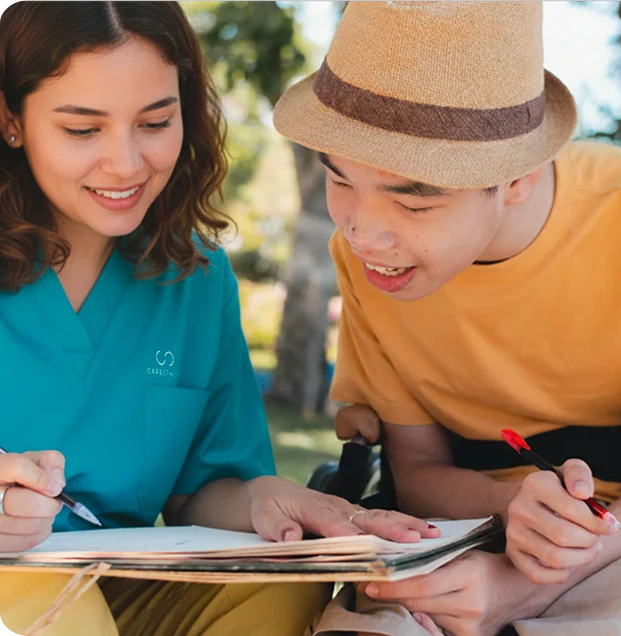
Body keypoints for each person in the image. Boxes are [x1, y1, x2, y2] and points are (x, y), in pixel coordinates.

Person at [0, 2, 440, 635]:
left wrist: (267, 500)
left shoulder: (197, 279)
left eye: (155, 122)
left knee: (281, 593)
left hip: (123, 586)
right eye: (82, 130)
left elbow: (200, 492)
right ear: (12, 120)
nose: (126, 163)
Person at [273, 1, 621, 635]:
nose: (364, 234)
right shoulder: (363, 259)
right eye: (340, 180)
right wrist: (513, 509)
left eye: (414, 203)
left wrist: (526, 584)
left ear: (518, 174)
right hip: (463, 532)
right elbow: (413, 471)